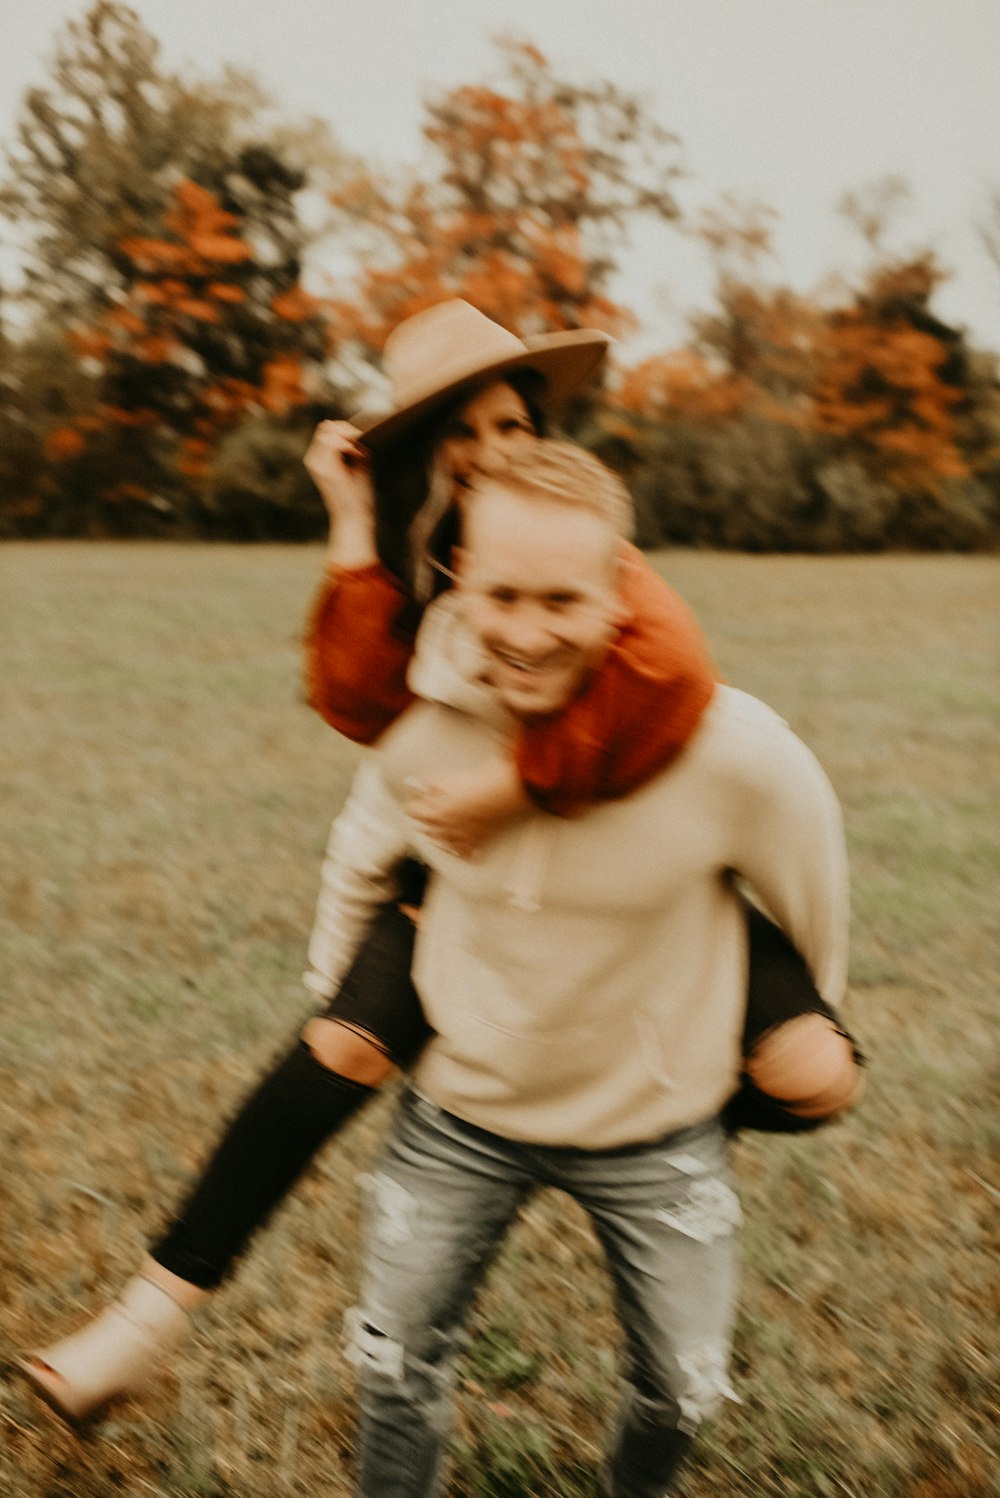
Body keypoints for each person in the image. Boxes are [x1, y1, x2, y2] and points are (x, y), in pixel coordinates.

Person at [17, 303, 859, 1428]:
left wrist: (509, 788)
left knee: (819, 1075)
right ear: (419, 457)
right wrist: (353, 521)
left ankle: (653, 1129)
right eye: (458, 434)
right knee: (340, 1048)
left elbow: (670, 679)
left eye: (511, 422)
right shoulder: (427, 570)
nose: (492, 452)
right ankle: (145, 1321)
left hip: (654, 883)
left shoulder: (581, 545)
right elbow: (359, 706)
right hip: (468, 884)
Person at [302, 439, 854, 1495]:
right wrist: (335, 992)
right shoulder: (427, 727)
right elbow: (360, 852)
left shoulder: (737, 753)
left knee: (685, 1386)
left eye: (562, 598)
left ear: (621, 588)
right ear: (460, 583)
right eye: (502, 593)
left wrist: (745, 1054)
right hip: (459, 1115)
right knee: (392, 1360)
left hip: (656, 1130)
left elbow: (810, 906)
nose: (526, 630)